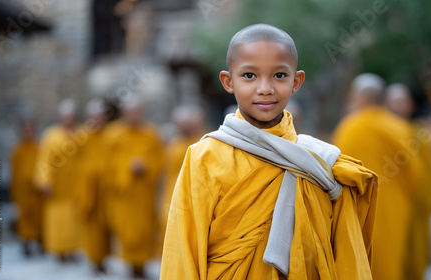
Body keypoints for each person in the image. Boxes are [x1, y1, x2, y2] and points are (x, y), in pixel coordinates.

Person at [161, 23, 378, 279]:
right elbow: (183, 249)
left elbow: (347, 255)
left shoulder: (322, 163)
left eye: (279, 76)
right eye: (249, 76)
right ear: (228, 81)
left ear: (296, 81)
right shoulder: (205, 157)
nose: (265, 88)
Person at [332, 74, 424, 280]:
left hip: (357, 210)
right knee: (391, 262)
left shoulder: (350, 128)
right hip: (396, 209)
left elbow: (336, 173)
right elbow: (416, 175)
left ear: (361, 98)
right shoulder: (400, 127)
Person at [385, 83, 431, 280]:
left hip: (415, 209)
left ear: (410, 105)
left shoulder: (419, 136)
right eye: (393, 102)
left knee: (414, 262)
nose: (398, 106)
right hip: (387, 211)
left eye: (402, 101)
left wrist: (419, 203)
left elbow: (430, 177)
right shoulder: (380, 134)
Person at [104, 96, 164, 278]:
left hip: (144, 193)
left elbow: (160, 160)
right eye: (130, 113)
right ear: (123, 113)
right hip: (123, 194)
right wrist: (126, 168)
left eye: (137, 112)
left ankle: (142, 266)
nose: (134, 116)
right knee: (126, 230)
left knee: (145, 230)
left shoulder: (151, 133)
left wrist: (146, 166)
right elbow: (106, 164)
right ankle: (130, 265)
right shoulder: (112, 135)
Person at [34, 98, 82, 261]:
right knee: (57, 221)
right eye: (65, 116)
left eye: (71, 116)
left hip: (74, 188)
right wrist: (44, 181)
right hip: (56, 189)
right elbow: (43, 160)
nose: (68, 120)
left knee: (73, 221)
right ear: (61, 117)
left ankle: (72, 250)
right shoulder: (51, 135)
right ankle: (59, 252)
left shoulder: (80, 134)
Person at [158, 105, 207, 256]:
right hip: (173, 192)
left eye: (189, 124)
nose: (185, 127)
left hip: (199, 192)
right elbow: (163, 170)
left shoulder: (205, 142)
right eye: (182, 124)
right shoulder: (173, 145)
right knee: (171, 225)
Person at [75, 98, 112, 274]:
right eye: (93, 117)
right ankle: (93, 260)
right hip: (88, 189)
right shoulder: (81, 136)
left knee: (104, 228)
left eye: (100, 117)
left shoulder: (111, 135)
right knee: (91, 227)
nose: (97, 121)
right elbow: (73, 163)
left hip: (106, 190)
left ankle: (103, 260)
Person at [10, 121, 43, 256]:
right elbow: (14, 171)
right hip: (23, 190)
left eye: (31, 130)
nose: (28, 133)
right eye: (26, 130)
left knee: (39, 216)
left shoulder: (39, 147)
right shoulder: (17, 149)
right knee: (24, 217)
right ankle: (26, 243)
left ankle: (42, 242)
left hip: (37, 190)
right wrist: (14, 190)